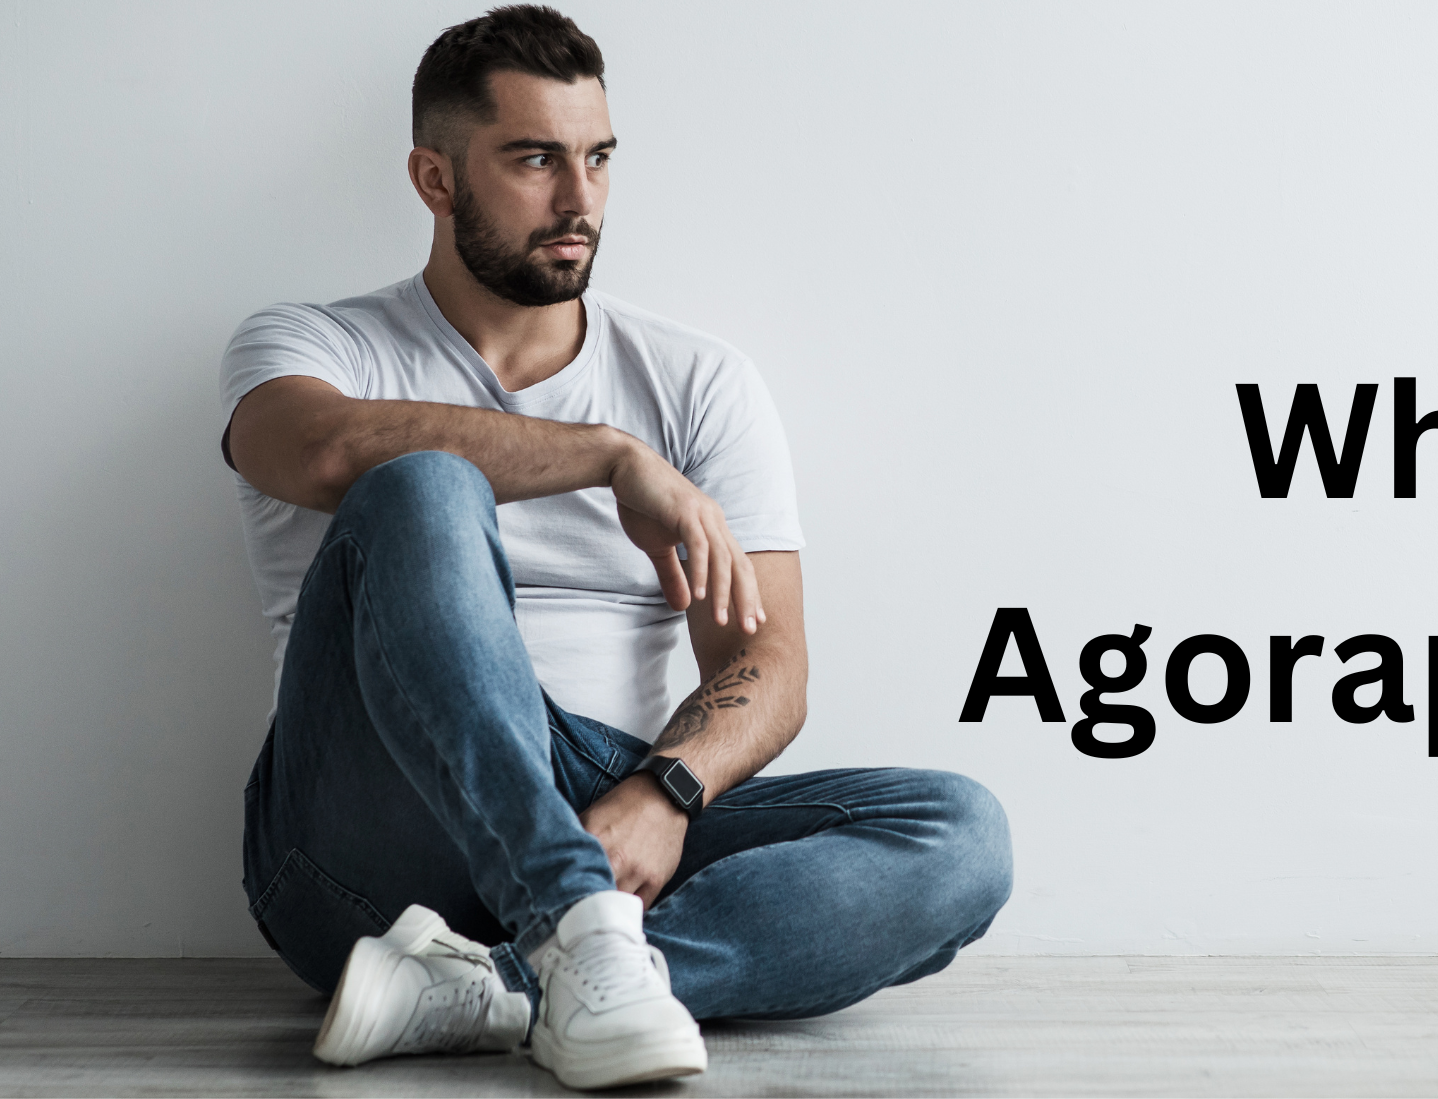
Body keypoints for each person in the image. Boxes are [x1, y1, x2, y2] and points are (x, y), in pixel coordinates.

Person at [219, 6, 1011, 1089]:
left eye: (597, 158)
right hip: (367, 838)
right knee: (422, 483)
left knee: (958, 833)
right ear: (436, 179)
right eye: (535, 159)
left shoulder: (698, 380)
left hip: (608, 797)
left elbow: (768, 666)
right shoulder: (316, 343)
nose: (579, 199)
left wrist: (667, 793)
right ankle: (578, 929)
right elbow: (317, 452)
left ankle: (495, 987)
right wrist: (603, 453)